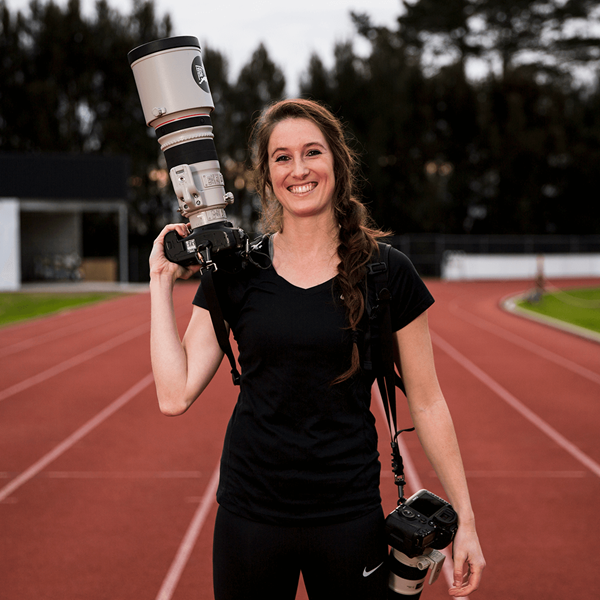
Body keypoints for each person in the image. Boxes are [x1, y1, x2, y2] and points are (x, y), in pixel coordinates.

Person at [149, 98, 485, 600]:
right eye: (281, 157)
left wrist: (467, 522)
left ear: (338, 163)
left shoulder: (386, 272)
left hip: (348, 518)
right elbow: (174, 395)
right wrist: (159, 281)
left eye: (312, 152)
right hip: (250, 516)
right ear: (266, 174)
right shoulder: (237, 271)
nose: (299, 169)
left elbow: (429, 401)